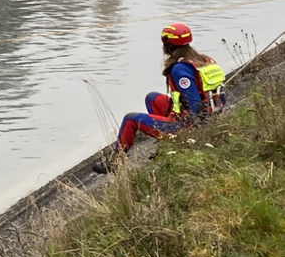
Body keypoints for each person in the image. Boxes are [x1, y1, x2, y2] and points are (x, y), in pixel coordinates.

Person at [94, 22, 226, 174]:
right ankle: (166, 146)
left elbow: (196, 105)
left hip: (189, 125)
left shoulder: (180, 69)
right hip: (211, 115)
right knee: (152, 98)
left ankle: (115, 162)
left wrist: (197, 135)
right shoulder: (204, 60)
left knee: (131, 119)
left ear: (168, 45)